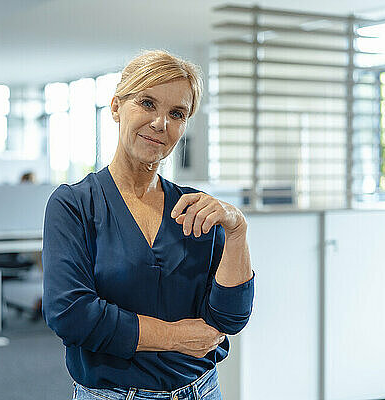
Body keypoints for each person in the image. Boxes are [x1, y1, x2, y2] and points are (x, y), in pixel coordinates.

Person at [42, 50, 255, 400]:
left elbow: (229, 320)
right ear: (115, 107)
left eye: (177, 113)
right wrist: (174, 336)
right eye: (147, 103)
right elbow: (71, 314)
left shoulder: (194, 209)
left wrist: (237, 231)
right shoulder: (75, 205)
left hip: (201, 391)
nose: (161, 124)